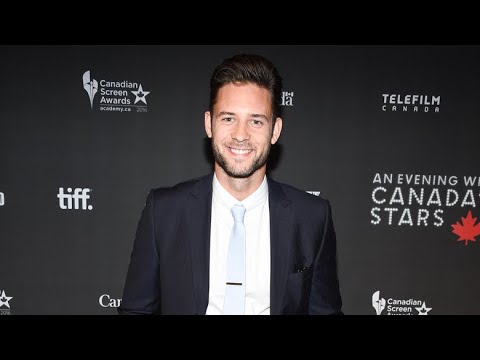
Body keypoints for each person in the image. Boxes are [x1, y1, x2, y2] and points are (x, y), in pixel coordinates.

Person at [118, 53, 342, 315]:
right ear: (209, 124)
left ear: (276, 131)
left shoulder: (312, 217)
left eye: (256, 121)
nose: (240, 135)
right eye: (228, 118)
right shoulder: (164, 212)